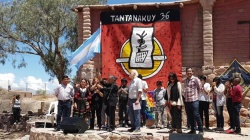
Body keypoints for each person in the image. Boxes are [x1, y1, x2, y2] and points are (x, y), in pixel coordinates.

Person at [183, 67, 203, 135]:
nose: (189, 72)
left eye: (190, 71)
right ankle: (193, 130)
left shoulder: (196, 79)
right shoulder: (185, 80)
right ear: (186, 73)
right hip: (187, 101)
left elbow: (200, 88)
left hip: (194, 100)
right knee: (190, 116)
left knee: (196, 115)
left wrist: (197, 96)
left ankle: (201, 130)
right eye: (187, 71)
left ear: (192, 72)